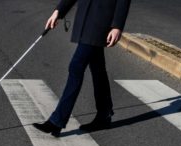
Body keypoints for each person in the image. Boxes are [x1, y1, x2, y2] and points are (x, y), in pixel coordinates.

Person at [33, 0, 132, 137]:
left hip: (101, 22)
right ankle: (104, 113)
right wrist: (59, 11)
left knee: (76, 67)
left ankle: (57, 120)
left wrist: (117, 26)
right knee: (98, 69)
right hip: (86, 20)